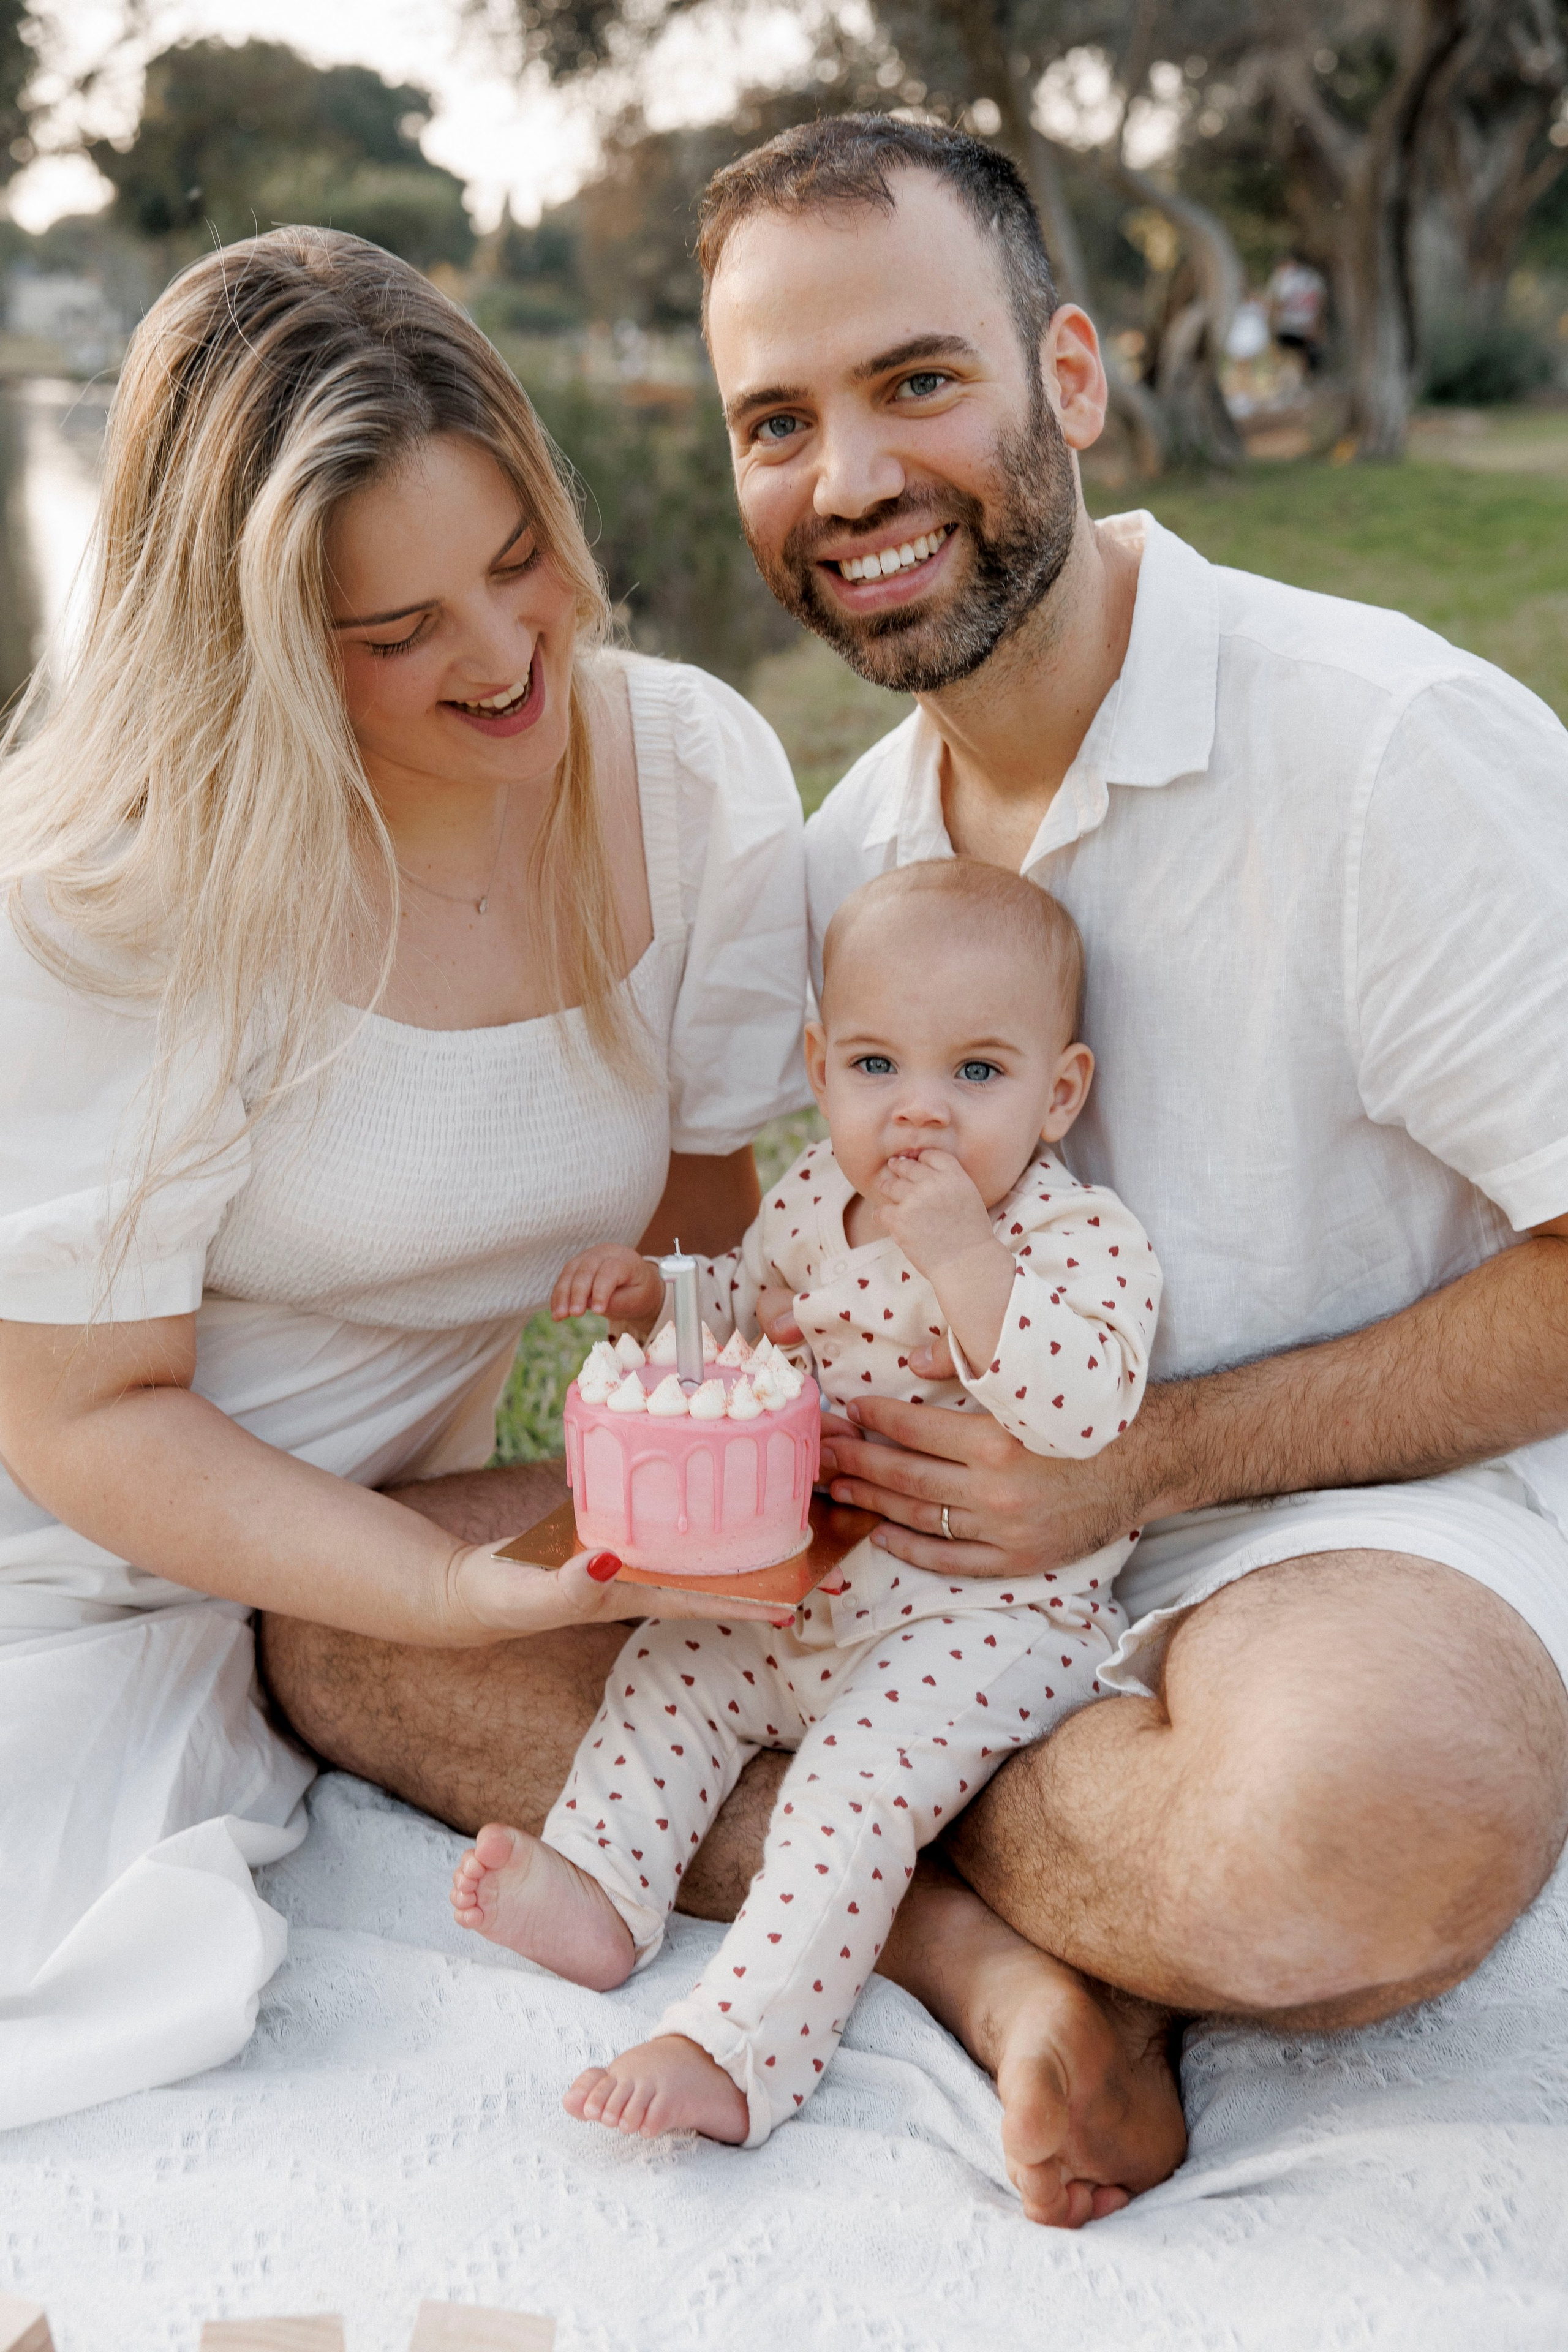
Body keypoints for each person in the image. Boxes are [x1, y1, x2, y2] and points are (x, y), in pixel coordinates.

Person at [266, 112, 1568, 2231]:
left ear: (1072, 375)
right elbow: (776, 1257)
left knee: (1364, 1827)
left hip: (1322, 1540)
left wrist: (1141, 1467)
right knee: (340, 1615)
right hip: (896, 1576)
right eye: (778, 422)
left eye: (917, 382)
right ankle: (991, 1956)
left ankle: (927, 1847)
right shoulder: (847, 860)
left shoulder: (1382, 749)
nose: (850, 477)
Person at [0, 225, 810, 2132]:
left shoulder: (686, 780)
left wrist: (722, 1456)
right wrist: (445, 1593)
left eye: (518, 559)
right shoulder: (118, 888)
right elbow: (82, 1417)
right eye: (400, 632)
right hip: (81, 1563)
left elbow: (702, 1225)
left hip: (382, 1543)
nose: (508, 654)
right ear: (264, 647)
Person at [447, 858, 1160, 2150]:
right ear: (822, 1069)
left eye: (977, 1072)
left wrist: (964, 1257)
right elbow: (749, 1309)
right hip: (810, 1591)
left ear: (1058, 1094)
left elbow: (1086, 1410)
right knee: (669, 1667)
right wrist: (659, 1302)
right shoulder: (812, 1202)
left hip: (983, 1621)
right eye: (877, 1066)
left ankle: (738, 2050)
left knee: (846, 1791)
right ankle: (604, 1883)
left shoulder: (1074, 1239)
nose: (919, 1114)